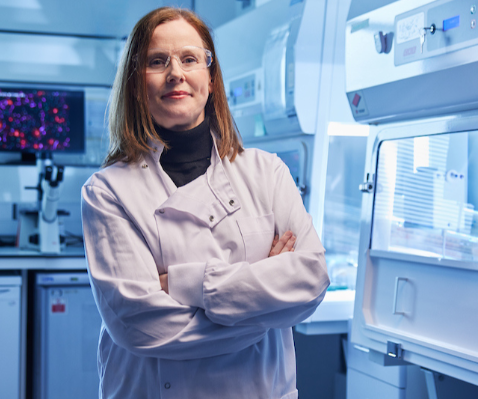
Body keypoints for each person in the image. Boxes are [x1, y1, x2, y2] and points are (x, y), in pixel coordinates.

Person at [81, 7, 329, 399]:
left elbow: (311, 279)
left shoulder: (267, 173)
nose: (175, 73)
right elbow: (141, 326)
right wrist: (264, 303)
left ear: (210, 80)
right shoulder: (108, 191)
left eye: (190, 59)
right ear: (135, 84)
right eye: (157, 61)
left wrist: (187, 284)